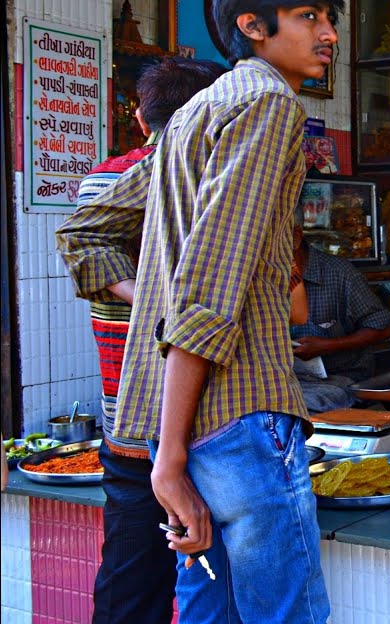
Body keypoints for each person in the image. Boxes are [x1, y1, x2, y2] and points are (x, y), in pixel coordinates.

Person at [55, 0, 342, 623]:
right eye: (309, 18)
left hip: (175, 417)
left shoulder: (194, 114)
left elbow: (85, 229)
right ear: (253, 26)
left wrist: (171, 439)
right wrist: (170, 456)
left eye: (329, 18)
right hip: (238, 417)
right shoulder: (271, 103)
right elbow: (213, 287)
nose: (327, 34)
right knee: (284, 613)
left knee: (206, 607)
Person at [56, 56, 226, 624]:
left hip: (127, 420)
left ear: (139, 116)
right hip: (204, 421)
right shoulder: (204, 177)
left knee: (133, 585)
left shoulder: (100, 180)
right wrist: (164, 302)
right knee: (211, 581)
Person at [291, 221, 390, 411]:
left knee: (298, 407)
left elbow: (382, 328)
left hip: (340, 378)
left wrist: (328, 346)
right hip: (290, 380)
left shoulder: (340, 274)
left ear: (295, 237)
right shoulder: (266, 278)